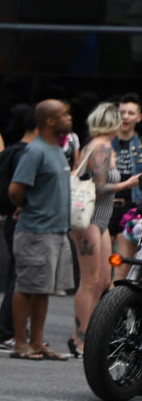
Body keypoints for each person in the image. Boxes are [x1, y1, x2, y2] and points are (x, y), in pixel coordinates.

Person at [7, 99, 73, 361]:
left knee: (42, 288)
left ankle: (37, 342)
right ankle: (20, 343)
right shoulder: (35, 151)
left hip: (55, 231)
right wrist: (28, 205)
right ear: (49, 121)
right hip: (35, 231)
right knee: (26, 286)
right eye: (65, 114)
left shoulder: (56, 149)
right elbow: (15, 190)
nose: (70, 118)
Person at [69, 103, 135, 357]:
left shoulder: (96, 145)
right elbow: (99, 187)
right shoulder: (102, 146)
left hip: (100, 221)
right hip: (89, 221)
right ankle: (81, 338)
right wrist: (127, 183)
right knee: (90, 281)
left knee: (104, 281)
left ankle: (93, 334)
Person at [0, 104, 38, 350]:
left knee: (18, 276)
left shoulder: (16, 150)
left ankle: (13, 331)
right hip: (19, 219)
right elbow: (18, 188)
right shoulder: (27, 153)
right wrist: (22, 204)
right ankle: (8, 332)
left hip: (12, 219)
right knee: (19, 278)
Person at [110, 93, 142, 280]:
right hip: (104, 206)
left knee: (122, 267)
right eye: (122, 112)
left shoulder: (140, 145)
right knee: (99, 272)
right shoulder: (104, 143)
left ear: (138, 117)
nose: (126, 117)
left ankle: (113, 307)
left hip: (130, 208)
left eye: (131, 113)